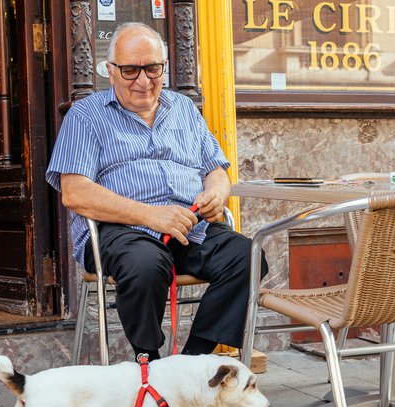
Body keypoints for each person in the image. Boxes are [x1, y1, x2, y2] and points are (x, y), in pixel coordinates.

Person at [46, 22, 265, 362]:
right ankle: (149, 362)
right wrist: (150, 215)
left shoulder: (183, 108)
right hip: (121, 232)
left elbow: (216, 170)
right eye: (131, 70)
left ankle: (194, 362)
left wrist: (216, 195)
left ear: (164, 66)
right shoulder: (85, 116)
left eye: (152, 68)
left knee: (248, 256)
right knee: (145, 265)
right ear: (110, 71)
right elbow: (75, 193)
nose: (144, 81)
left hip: (188, 226)